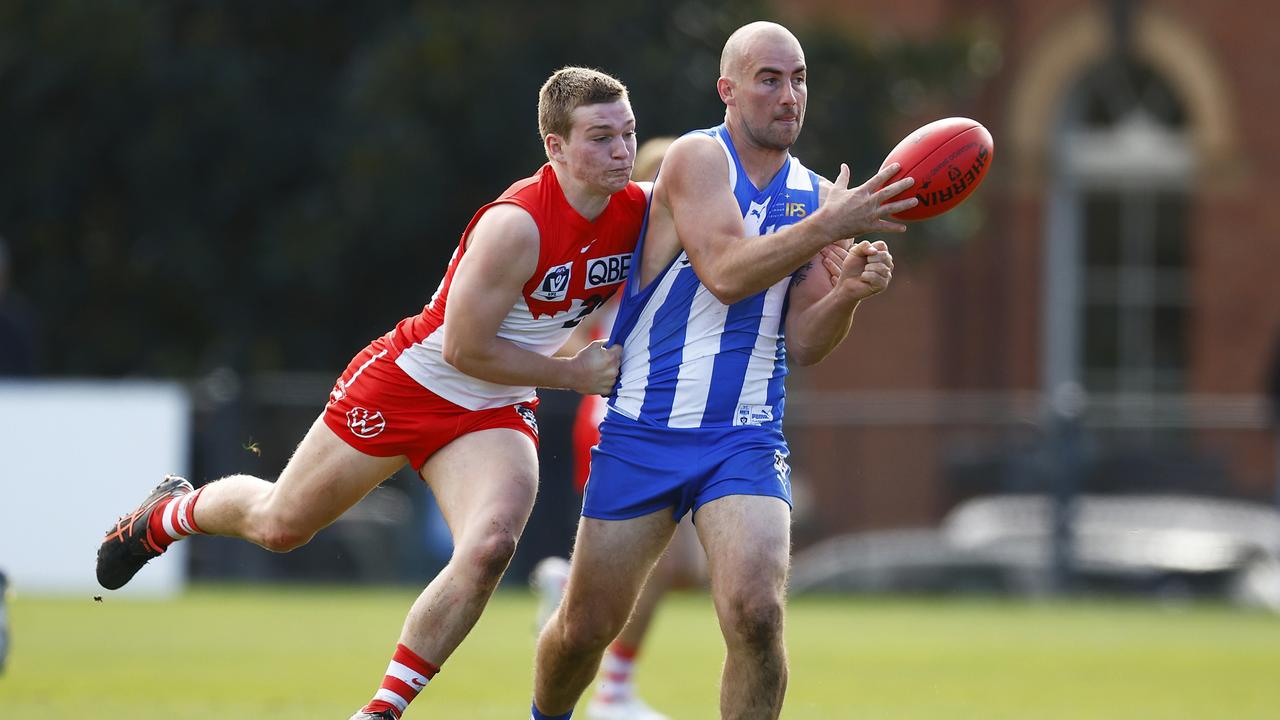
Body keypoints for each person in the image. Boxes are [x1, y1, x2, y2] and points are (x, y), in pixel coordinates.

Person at [95, 66, 649, 720]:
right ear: (554, 148)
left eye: (628, 133)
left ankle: (381, 712)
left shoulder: (637, 210)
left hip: (495, 404)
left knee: (491, 544)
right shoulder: (518, 225)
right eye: (600, 137)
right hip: (410, 381)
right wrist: (574, 375)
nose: (621, 150)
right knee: (280, 526)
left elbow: (703, 206)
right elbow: (462, 350)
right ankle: (169, 513)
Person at [531, 21, 918, 720]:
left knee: (757, 613)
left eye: (798, 79)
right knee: (583, 631)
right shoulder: (695, 160)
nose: (788, 95)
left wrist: (848, 296)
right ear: (728, 90)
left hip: (744, 437)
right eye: (769, 79)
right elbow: (726, 274)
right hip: (645, 426)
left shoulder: (810, 193)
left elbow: (803, 342)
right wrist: (829, 229)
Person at [529, 136, 706, 720]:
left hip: (669, 408)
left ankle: (573, 600)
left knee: (676, 566)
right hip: (622, 409)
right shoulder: (634, 235)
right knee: (665, 558)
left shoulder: (690, 234)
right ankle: (611, 690)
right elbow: (580, 321)